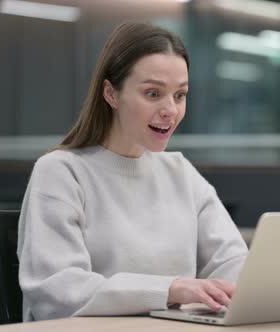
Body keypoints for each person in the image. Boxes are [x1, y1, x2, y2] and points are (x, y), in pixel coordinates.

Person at [17, 22, 248, 322]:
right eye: (153, 94)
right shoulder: (61, 171)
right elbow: (59, 290)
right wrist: (170, 289)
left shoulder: (180, 172)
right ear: (111, 94)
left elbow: (231, 260)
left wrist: (257, 288)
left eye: (180, 95)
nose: (171, 110)